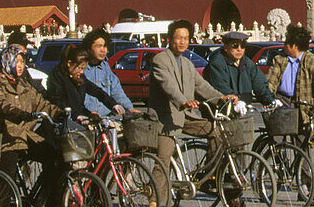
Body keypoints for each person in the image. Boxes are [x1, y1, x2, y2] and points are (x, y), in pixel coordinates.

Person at [150, 20, 236, 173]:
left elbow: (202, 87)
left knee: (216, 131)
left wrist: (222, 98)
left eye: (186, 38)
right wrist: (184, 101)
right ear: (169, 39)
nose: (183, 42)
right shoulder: (160, 60)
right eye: (179, 38)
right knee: (163, 162)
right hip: (166, 119)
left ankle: (209, 174)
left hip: (186, 116)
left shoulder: (187, 63)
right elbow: (168, 85)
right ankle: (156, 197)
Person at [0, 47, 64, 207]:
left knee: (56, 158)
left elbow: (41, 103)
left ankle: (40, 200)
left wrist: (58, 113)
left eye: (22, 62)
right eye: (17, 62)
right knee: (7, 176)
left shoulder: (24, 84)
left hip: (26, 135)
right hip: (7, 137)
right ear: (8, 62)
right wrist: (21, 114)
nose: (20, 66)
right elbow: (1, 105)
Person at [266, 24, 314, 129]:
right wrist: (267, 98)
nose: (284, 45)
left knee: (301, 139)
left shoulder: (312, 62)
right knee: (278, 135)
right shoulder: (280, 60)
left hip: (303, 104)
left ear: (295, 46)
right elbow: (271, 81)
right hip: (282, 101)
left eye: (286, 43)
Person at [203, 31, 274, 106]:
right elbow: (220, 86)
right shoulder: (217, 62)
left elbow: (260, 84)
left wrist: (270, 100)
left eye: (242, 45)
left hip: (244, 108)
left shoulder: (247, 63)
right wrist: (235, 99)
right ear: (226, 47)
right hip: (223, 107)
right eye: (235, 45)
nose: (239, 49)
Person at [46, 45, 119, 117]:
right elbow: (57, 103)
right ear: (69, 63)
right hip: (63, 120)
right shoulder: (56, 77)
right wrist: (77, 116)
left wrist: (113, 104)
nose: (81, 72)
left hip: (78, 117)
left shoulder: (79, 77)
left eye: (83, 69)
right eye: (80, 68)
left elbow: (96, 91)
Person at [81, 28, 136, 116]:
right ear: (89, 48)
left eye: (105, 46)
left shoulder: (106, 67)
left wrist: (130, 108)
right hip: (87, 118)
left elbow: (117, 92)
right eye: (99, 46)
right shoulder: (80, 68)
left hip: (106, 119)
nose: (103, 50)